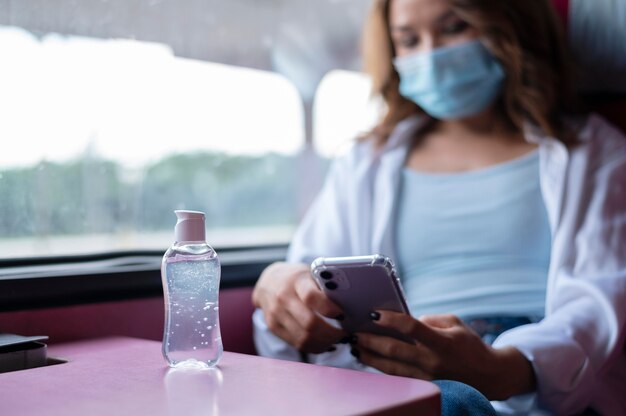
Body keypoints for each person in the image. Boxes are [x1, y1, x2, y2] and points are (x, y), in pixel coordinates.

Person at [251, 0, 626, 414]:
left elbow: (601, 303)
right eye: (409, 40)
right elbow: (311, 283)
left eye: (455, 27)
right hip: (406, 374)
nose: (431, 54)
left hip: (536, 383)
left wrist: (503, 368)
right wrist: (283, 288)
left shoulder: (594, 152)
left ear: (512, 30)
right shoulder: (366, 163)